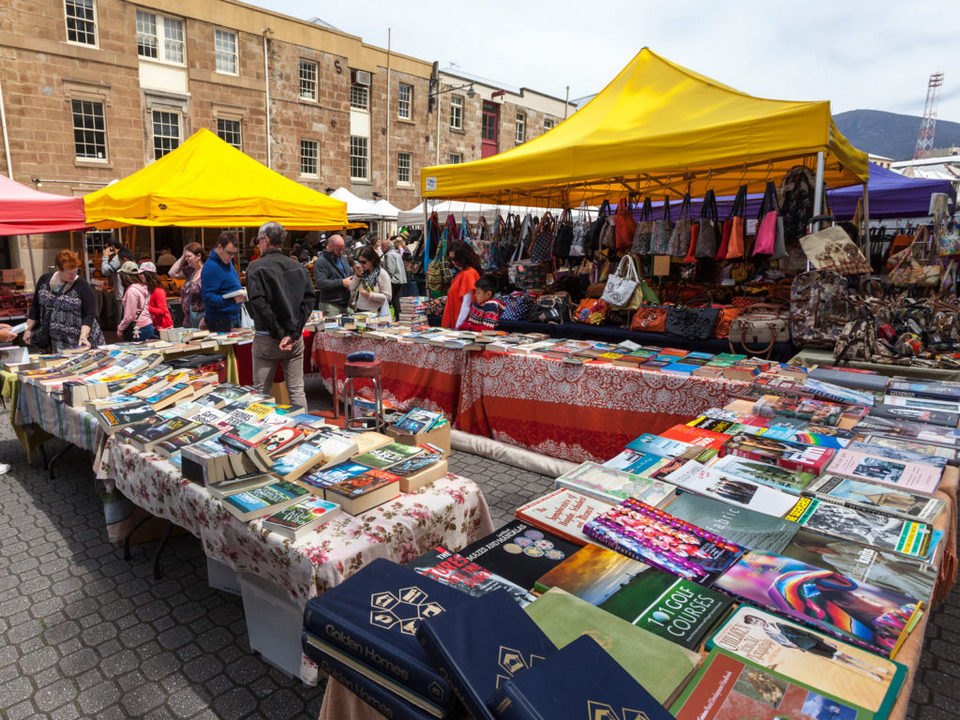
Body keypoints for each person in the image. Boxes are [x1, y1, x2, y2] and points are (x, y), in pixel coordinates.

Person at [246, 221, 315, 409]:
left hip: (268, 336)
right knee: (296, 390)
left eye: (259, 240)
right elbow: (309, 300)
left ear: (266, 240)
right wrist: (293, 333)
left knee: (261, 392)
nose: (258, 245)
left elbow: (259, 303)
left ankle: (261, 427)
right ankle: (304, 424)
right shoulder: (298, 267)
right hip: (292, 337)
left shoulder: (256, 267)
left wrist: (281, 333)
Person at [25, 249, 104, 351]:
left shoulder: (82, 286)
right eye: (69, 273)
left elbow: (89, 314)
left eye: (75, 271)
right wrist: (28, 329)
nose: (73, 275)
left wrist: (83, 335)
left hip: (79, 342)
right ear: (58, 269)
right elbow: (35, 307)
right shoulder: (44, 280)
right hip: (54, 343)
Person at [202, 231, 244, 332]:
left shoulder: (226, 261)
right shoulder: (211, 267)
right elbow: (207, 297)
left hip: (233, 317)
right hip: (220, 320)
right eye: (229, 253)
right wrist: (231, 301)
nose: (232, 257)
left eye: (234, 253)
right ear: (220, 247)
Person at [441, 240, 483, 329]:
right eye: (451, 259)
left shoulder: (468, 274)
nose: (453, 262)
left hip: (460, 323)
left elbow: (467, 303)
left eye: (455, 259)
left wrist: (458, 326)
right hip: (458, 320)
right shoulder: (464, 273)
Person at [313, 233, 353, 317]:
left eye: (343, 249)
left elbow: (347, 274)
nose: (341, 252)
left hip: (345, 304)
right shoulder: (321, 262)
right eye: (338, 249)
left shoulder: (343, 258)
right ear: (330, 247)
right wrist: (342, 283)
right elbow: (320, 283)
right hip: (330, 305)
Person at [116, 261, 156, 341]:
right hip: (148, 325)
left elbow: (129, 316)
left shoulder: (132, 291)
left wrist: (120, 329)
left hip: (138, 329)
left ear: (125, 276)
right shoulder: (143, 287)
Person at [169, 242, 206, 328]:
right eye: (186, 257)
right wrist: (183, 256)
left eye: (189, 256)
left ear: (198, 256)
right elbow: (172, 273)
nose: (186, 259)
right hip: (187, 320)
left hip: (201, 320)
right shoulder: (190, 271)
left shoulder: (207, 271)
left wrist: (206, 318)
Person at [348, 246, 391, 316]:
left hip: (375, 313)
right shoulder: (361, 272)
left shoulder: (382, 274)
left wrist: (369, 295)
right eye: (359, 262)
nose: (361, 265)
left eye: (364, 262)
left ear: (372, 260)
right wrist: (357, 276)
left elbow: (388, 297)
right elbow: (351, 287)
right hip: (359, 311)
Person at [139, 261, 173, 331]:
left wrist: (146, 308)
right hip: (154, 325)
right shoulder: (147, 289)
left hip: (163, 327)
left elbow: (162, 311)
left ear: (148, 275)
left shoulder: (158, 291)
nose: (140, 276)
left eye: (142, 273)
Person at [381, 238, 407, 320]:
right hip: (399, 279)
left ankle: (391, 317)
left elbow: (390, 270)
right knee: (396, 300)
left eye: (383, 247)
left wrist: (385, 280)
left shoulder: (389, 255)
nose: (381, 249)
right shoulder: (396, 254)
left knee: (392, 299)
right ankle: (398, 317)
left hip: (393, 280)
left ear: (388, 247)